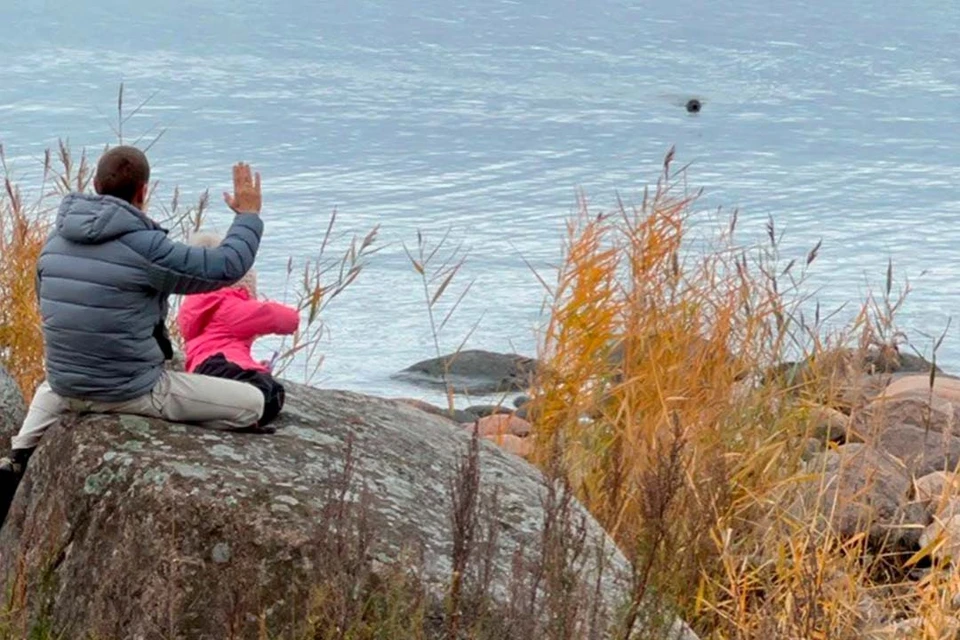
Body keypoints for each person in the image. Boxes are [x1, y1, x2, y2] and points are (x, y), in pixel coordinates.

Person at [0, 146, 270, 523]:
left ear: (95, 185)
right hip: (131, 391)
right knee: (253, 403)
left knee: (53, 389)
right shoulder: (146, 249)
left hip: (65, 383)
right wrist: (248, 217)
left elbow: (48, 305)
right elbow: (225, 266)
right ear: (143, 191)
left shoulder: (55, 241)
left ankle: (18, 454)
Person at [177, 230, 300, 430]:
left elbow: (223, 342)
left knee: (260, 389)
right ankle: (237, 420)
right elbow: (285, 320)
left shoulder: (199, 307)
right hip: (223, 366)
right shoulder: (229, 305)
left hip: (206, 367)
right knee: (270, 393)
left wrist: (253, 364)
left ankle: (221, 415)